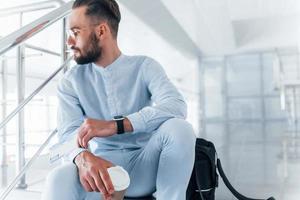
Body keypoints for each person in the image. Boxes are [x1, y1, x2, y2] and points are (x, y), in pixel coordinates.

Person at [42, 0, 196, 199]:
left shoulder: (144, 66)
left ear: (101, 31)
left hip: (144, 167)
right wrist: (82, 157)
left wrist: (116, 125)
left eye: (76, 32)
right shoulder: (70, 82)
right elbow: (63, 142)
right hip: (101, 174)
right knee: (57, 178)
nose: (69, 42)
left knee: (180, 128)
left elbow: (176, 105)